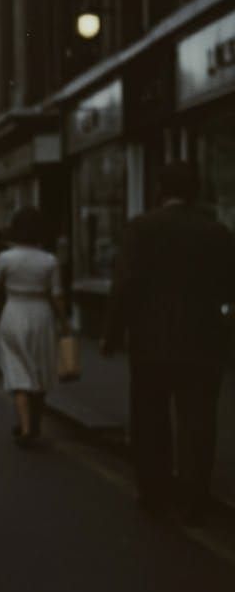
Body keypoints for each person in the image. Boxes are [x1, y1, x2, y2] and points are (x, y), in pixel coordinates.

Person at [101, 161, 235, 525]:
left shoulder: (141, 228)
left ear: (160, 189)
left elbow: (125, 284)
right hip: (204, 342)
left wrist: (112, 333)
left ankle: (154, 491)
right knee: (199, 420)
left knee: (150, 417)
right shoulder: (218, 233)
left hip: (151, 341)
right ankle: (195, 497)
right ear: (196, 190)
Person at [0, 207, 69, 446]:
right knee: (40, 368)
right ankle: (36, 423)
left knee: (17, 369)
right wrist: (65, 324)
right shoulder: (49, 260)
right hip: (42, 315)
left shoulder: (5, 258)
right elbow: (57, 295)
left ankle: (24, 427)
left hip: (14, 312)